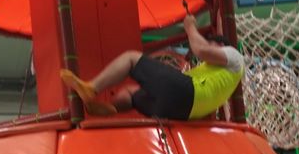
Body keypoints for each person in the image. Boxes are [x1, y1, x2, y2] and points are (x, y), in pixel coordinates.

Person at [60, 14, 244, 120]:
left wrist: (190, 27)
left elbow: (201, 50)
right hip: (177, 112)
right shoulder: (218, 78)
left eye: (210, 44)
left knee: (131, 58)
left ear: (221, 46)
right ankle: (110, 108)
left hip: (187, 95)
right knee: (131, 92)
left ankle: (91, 88)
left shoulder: (234, 55)